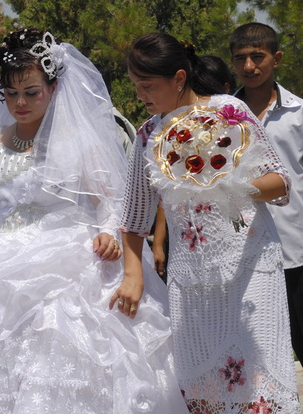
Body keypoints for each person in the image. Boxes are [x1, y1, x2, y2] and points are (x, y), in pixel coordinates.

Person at [0, 28, 186, 413]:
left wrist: (108, 232)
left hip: (67, 259)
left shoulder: (78, 140)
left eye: (31, 92)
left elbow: (114, 200)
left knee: (57, 358)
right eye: (12, 93)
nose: (20, 102)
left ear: (54, 88)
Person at [119, 31, 299, 413]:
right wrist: (132, 275)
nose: (140, 95)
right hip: (192, 280)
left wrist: (234, 188)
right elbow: (134, 220)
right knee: (206, 391)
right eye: (136, 86)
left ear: (179, 78)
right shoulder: (147, 135)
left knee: (260, 386)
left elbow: (280, 182)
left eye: (147, 85)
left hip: (253, 268)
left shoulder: (230, 112)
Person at [229, 22, 303, 363]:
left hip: (296, 249)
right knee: (256, 353)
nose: (248, 67)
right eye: (240, 58)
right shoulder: (222, 116)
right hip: (242, 251)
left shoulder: (299, 115)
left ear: (277, 58)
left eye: (257, 57)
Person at [151, 53, 234, 281]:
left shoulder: (232, 119)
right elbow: (165, 190)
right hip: (185, 238)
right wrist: (158, 241)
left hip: (231, 231)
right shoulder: (159, 132)